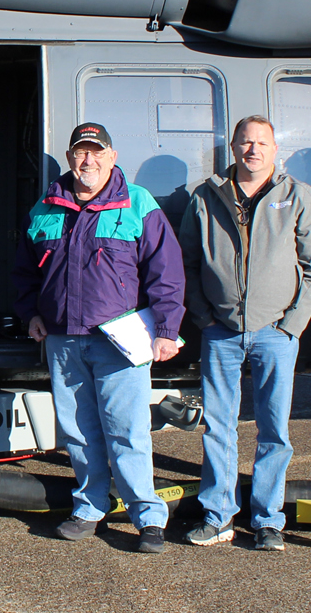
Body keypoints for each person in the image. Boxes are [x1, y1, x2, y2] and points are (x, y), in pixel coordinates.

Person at [13, 122, 184, 555]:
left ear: (112, 157)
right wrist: (30, 313)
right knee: (78, 432)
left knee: (127, 432)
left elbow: (166, 272)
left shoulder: (138, 203)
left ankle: (148, 517)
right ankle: (90, 507)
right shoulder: (45, 207)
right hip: (63, 340)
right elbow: (24, 271)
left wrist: (167, 330)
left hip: (119, 342)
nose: (87, 160)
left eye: (96, 152)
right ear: (70, 157)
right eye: (80, 152)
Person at [177, 115, 311, 552]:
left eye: (262, 143)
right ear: (233, 148)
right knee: (218, 428)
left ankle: (267, 520)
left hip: (275, 332)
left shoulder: (297, 196)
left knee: (273, 430)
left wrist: (291, 325)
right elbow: (186, 262)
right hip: (221, 332)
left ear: (274, 149)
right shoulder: (206, 197)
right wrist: (204, 317)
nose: (253, 150)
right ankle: (218, 517)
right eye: (245, 142)